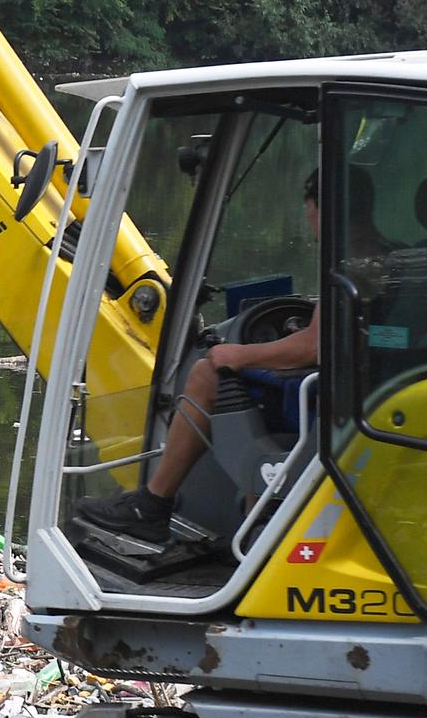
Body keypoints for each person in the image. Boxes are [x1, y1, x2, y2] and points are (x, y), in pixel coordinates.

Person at [76, 171, 323, 548]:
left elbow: (312, 347)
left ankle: (153, 504)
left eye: (310, 211)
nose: (308, 220)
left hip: (331, 403)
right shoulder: (383, 260)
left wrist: (238, 353)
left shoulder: (347, 265)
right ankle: (248, 520)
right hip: (352, 394)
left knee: (208, 373)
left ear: (323, 209)